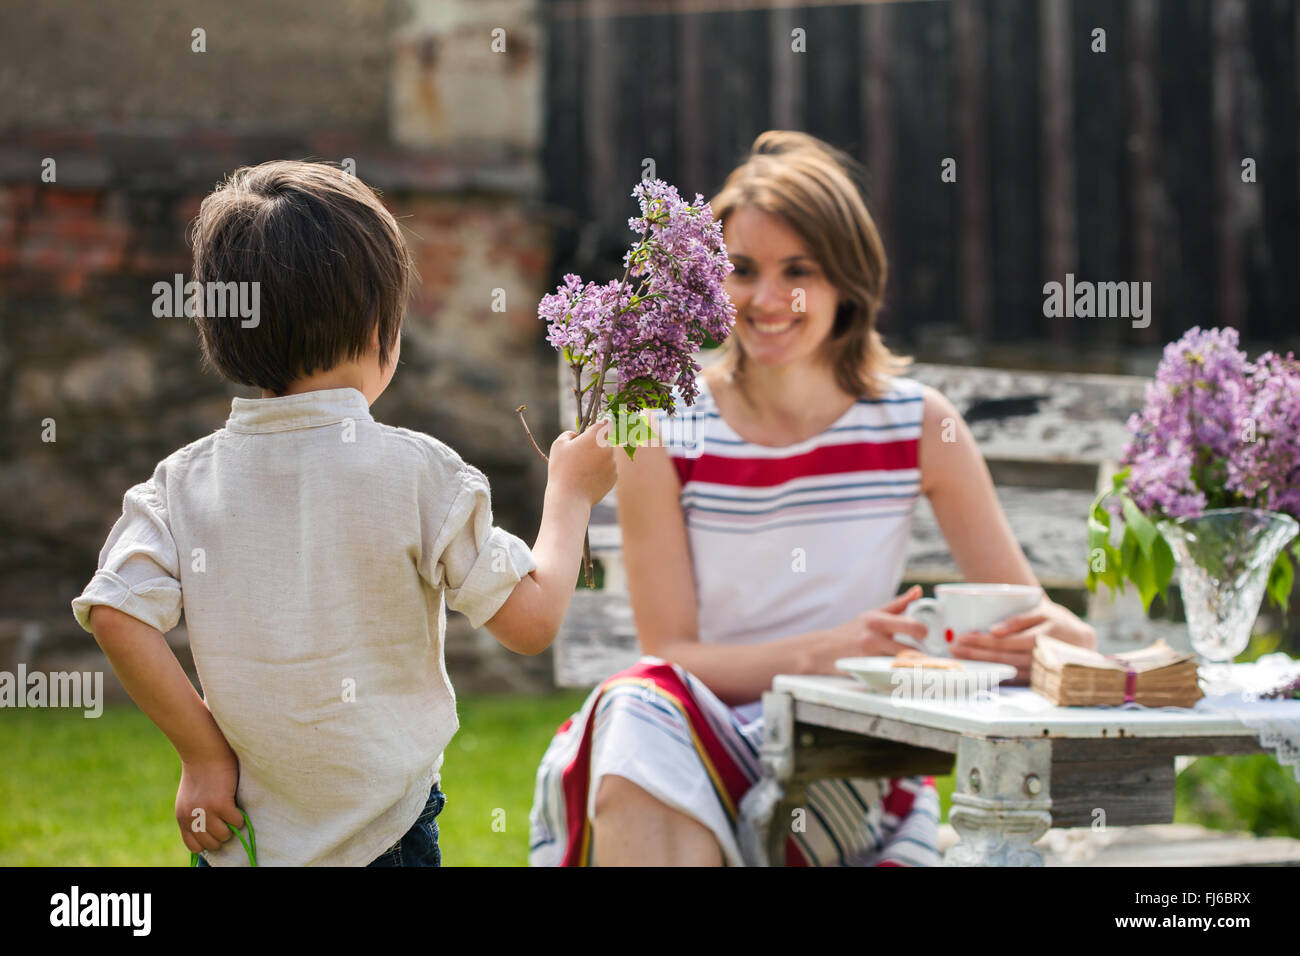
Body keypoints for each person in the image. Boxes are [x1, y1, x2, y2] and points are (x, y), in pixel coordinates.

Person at [528, 131, 1096, 867]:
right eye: (741, 269)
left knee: (648, 735)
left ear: (848, 281)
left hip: (848, 750)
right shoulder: (665, 424)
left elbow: (1029, 617)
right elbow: (670, 654)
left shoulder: (918, 424)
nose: (766, 299)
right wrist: (833, 650)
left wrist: (1057, 640)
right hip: (698, 733)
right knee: (636, 707)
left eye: (799, 270)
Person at [70, 160, 617, 866]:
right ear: (380, 326)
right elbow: (532, 622)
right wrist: (570, 494)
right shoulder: (420, 473)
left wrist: (203, 757)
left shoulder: (181, 483)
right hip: (386, 834)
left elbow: (116, 611)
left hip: (243, 841)